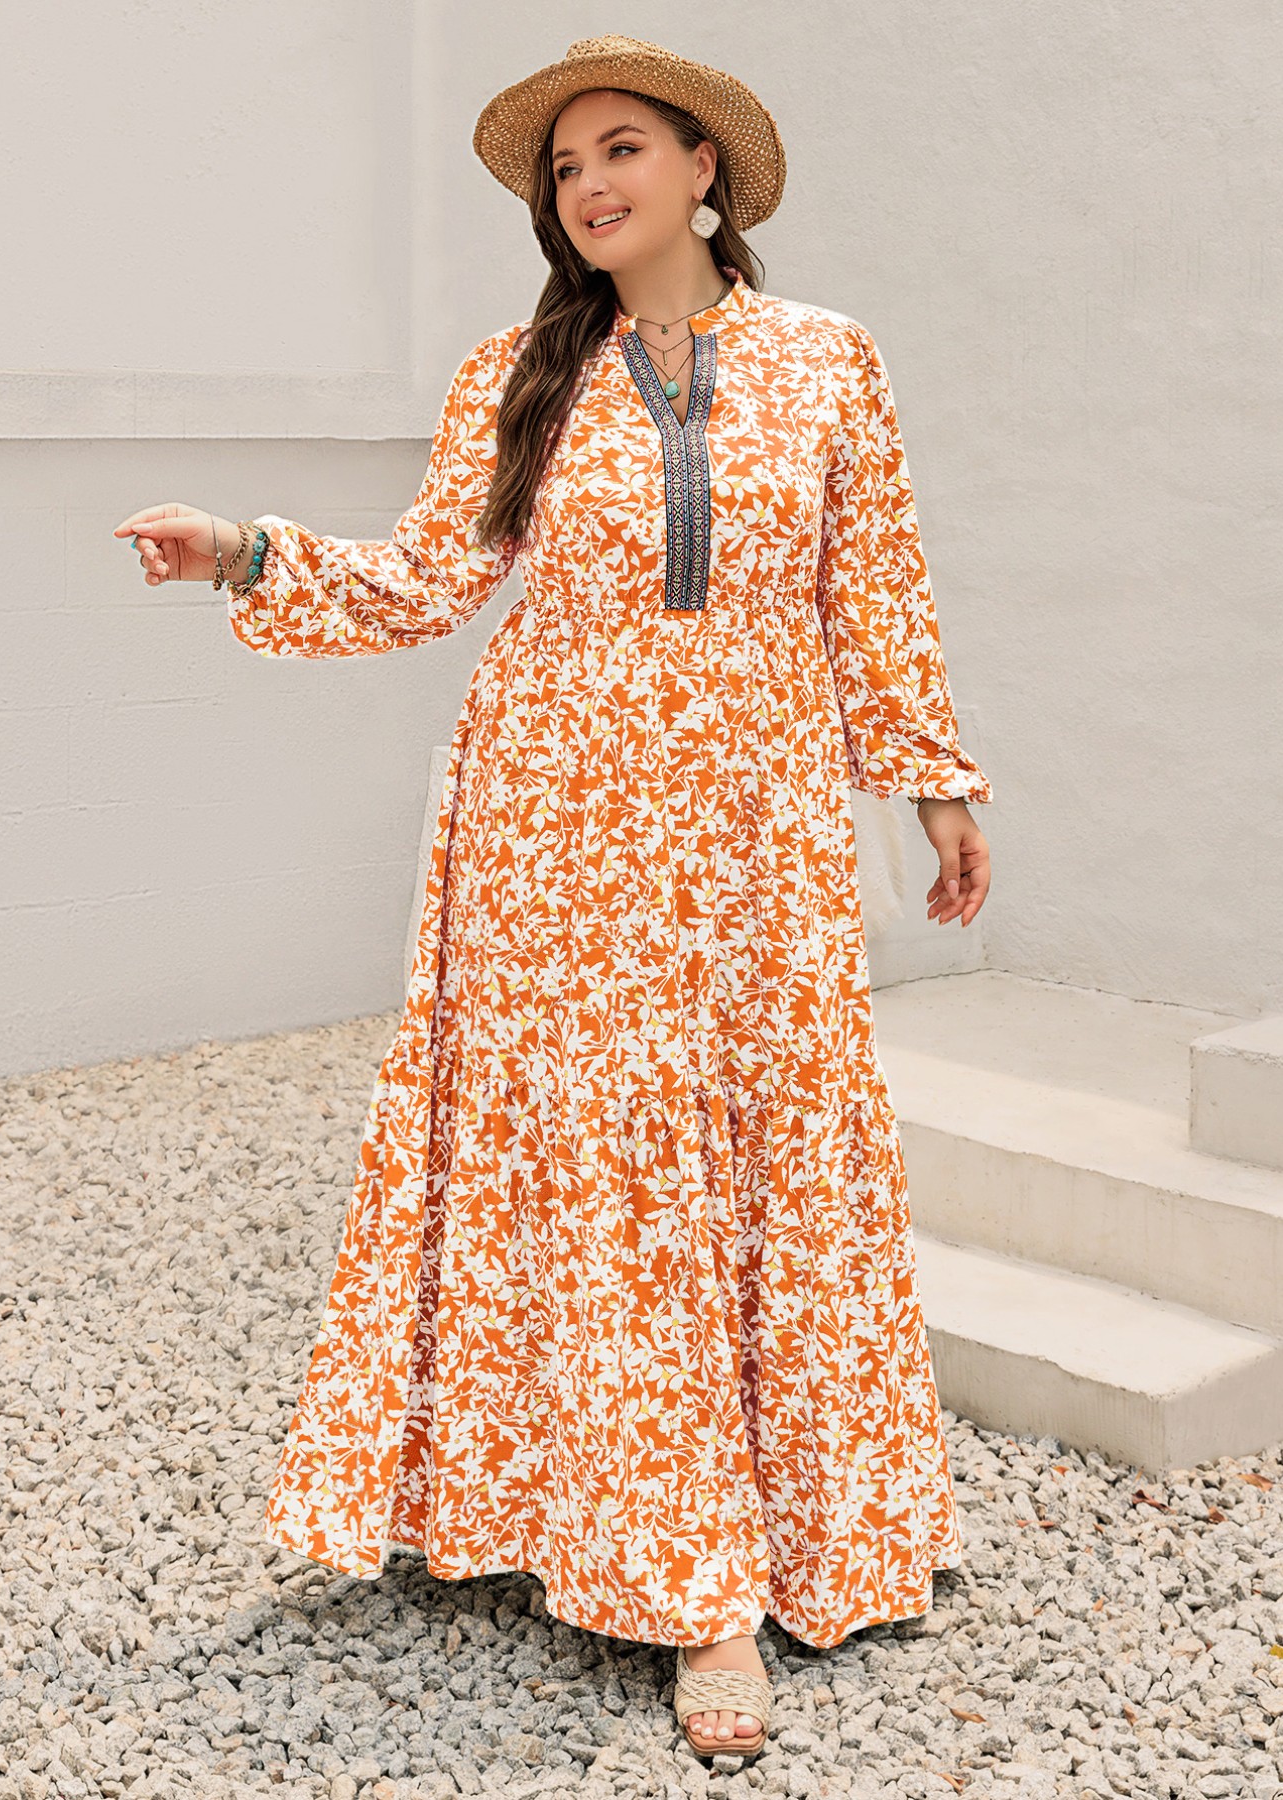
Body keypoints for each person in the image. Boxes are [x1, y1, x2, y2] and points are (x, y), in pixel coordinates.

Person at [112, 33, 992, 1763]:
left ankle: (806, 1523)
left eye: (620, 149)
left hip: (754, 826)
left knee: (768, 1147)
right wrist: (247, 552)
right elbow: (429, 575)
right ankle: (689, 1591)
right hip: (553, 827)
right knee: (613, 1171)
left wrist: (936, 782)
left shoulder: (827, 360)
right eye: (564, 168)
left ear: (703, 169)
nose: (589, 185)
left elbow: (872, 585)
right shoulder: (515, 374)